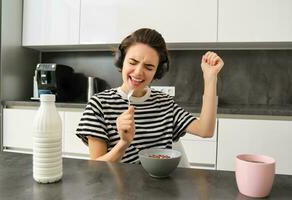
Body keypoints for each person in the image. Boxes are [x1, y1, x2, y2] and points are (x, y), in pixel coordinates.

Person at [76, 28, 224, 164]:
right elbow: (96, 168)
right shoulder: (99, 104)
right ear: (121, 61)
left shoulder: (165, 103)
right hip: (117, 190)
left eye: (149, 67)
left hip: (160, 189)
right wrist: (123, 143)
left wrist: (210, 78)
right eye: (133, 62)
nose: (138, 72)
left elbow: (205, 130)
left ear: (157, 72)